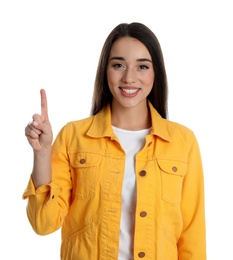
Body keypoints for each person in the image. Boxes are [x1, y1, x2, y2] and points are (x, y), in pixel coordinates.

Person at [23, 22, 206, 259]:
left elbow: (192, 238)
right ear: (105, 71)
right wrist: (42, 153)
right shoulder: (73, 137)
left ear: (155, 73)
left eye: (142, 66)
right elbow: (43, 223)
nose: (129, 77)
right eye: (118, 65)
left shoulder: (183, 142)